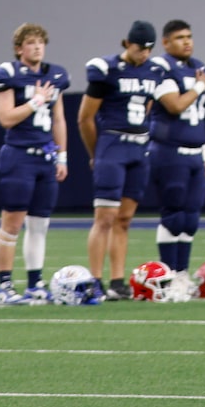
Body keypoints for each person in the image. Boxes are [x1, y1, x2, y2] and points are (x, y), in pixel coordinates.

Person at [0, 23, 72, 304]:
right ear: (19, 48)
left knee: (40, 225)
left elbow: (58, 118)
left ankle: (35, 283)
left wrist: (62, 155)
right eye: (31, 43)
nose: (37, 47)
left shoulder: (55, 75)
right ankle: (5, 286)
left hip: (45, 157)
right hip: (19, 155)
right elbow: (5, 118)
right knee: (11, 223)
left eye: (40, 42)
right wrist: (35, 102)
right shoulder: (7, 74)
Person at [80, 20, 166, 291]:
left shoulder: (154, 71)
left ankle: (117, 280)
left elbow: (149, 107)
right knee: (104, 217)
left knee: (125, 219)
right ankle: (95, 279)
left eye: (149, 49)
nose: (145, 54)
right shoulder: (106, 69)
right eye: (141, 48)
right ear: (127, 43)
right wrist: (97, 152)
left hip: (139, 148)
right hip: (113, 144)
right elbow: (85, 118)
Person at [146, 20, 205, 275]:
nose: (187, 41)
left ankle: (182, 273)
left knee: (191, 219)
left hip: (195, 152)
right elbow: (175, 105)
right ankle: (169, 274)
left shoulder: (199, 67)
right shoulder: (161, 67)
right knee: (173, 216)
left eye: (189, 36)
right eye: (180, 37)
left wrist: (204, 152)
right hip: (169, 151)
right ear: (165, 42)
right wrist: (198, 86)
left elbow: (199, 113)